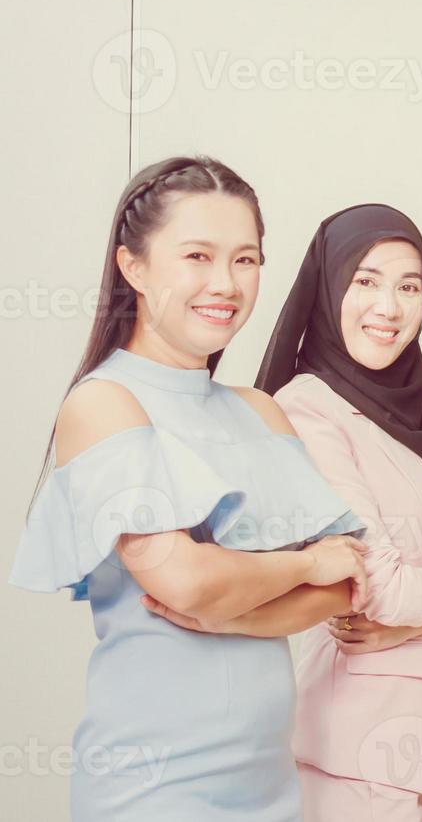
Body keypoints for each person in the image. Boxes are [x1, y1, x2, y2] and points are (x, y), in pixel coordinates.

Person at [9, 156, 369, 820]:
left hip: (271, 787)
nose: (224, 284)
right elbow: (187, 582)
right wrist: (305, 563)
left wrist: (236, 609)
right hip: (152, 791)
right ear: (134, 266)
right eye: (197, 256)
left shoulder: (260, 411)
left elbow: (347, 587)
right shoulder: (103, 404)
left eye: (245, 260)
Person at [247, 203, 422, 821]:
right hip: (355, 749)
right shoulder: (308, 410)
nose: (390, 307)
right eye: (365, 281)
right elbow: (390, 589)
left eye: (410, 286)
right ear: (328, 290)